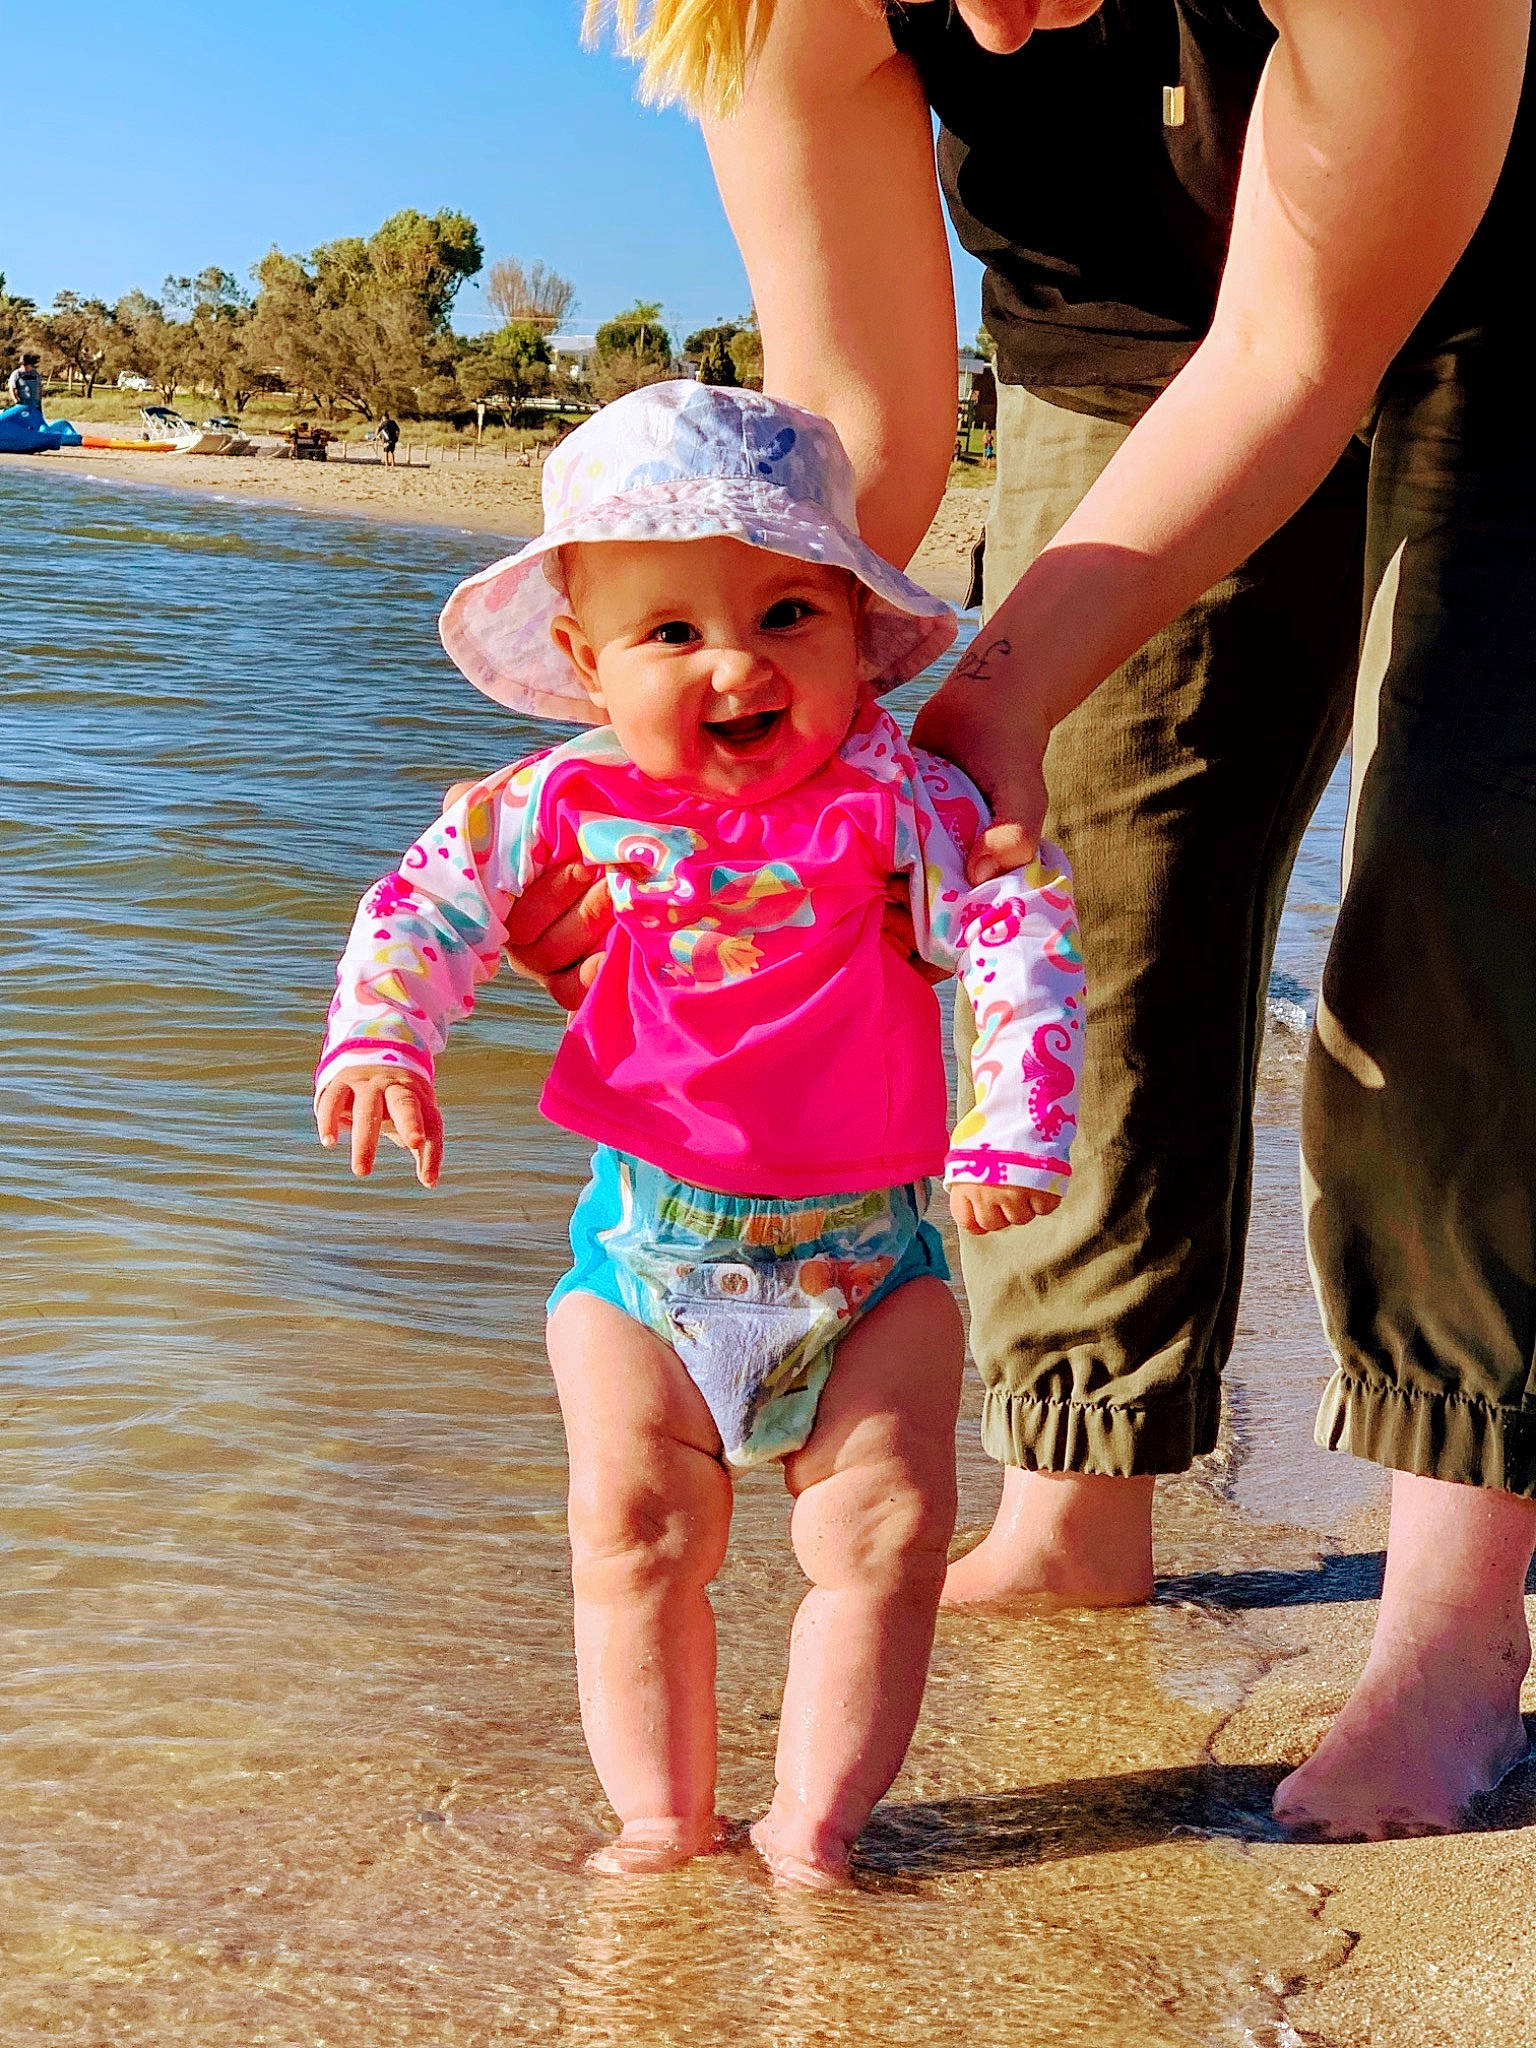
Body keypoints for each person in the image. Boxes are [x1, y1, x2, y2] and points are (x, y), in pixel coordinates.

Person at [544, 0, 1536, 1843]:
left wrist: (992, 684)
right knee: (1085, 848)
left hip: (1490, 270)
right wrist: (732, 768)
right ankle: (1077, 1498)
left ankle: (1454, 1632)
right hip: (1122, 334)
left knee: (1471, 892)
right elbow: (850, 453)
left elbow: (1304, 346)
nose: (992, 24)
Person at [313, 381, 1085, 1886]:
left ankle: (815, 1828)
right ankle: (663, 1820)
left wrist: (1015, 1127)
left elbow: (1016, 920)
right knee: (632, 1529)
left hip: (874, 1256)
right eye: (672, 634)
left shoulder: (901, 795)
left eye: (789, 613)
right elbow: (427, 901)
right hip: (642, 1250)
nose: (735, 663)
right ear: (590, 665)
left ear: (863, 637)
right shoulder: (560, 800)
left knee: (886, 1534)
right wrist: (386, 1038)